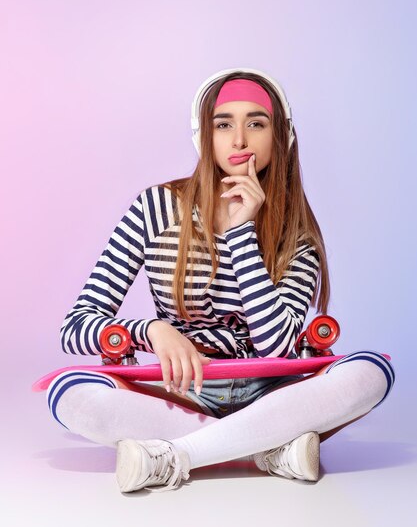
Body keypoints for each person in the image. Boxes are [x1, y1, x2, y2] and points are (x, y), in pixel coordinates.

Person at [46, 68, 395, 493]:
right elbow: (76, 325)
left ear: (280, 137)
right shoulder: (155, 208)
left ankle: (178, 455)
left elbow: (277, 346)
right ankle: (270, 450)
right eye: (223, 123)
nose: (240, 140)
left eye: (256, 124)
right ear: (203, 136)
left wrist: (240, 235)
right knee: (69, 391)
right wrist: (152, 331)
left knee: (371, 372)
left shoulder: (297, 233)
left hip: (272, 391)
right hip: (182, 390)